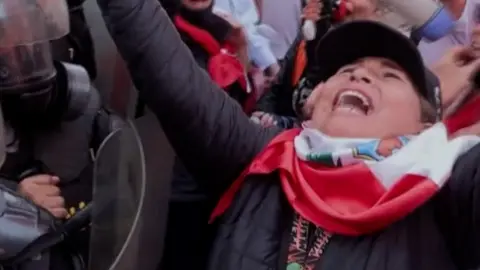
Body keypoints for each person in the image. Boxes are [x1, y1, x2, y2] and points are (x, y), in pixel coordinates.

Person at [97, 0, 480, 269]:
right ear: (314, 101)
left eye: (389, 75)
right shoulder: (263, 160)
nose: (359, 75)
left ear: (426, 124)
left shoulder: (447, 191)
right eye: (347, 69)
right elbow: (166, 70)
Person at [0, 0, 124, 268]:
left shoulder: (62, 94)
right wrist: (14, 204)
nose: (24, 42)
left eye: (30, 25)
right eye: (6, 31)